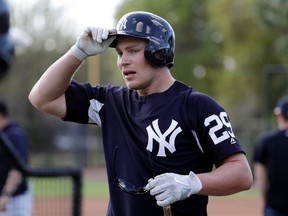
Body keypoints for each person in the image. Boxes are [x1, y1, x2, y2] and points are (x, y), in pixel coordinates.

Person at [28, 11, 253, 216]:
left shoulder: (197, 106)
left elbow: (241, 174)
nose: (123, 61)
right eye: (119, 53)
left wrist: (190, 183)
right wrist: (78, 52)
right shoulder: (110, 102)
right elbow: (42, 98)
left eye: (133, 51)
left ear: (159, 53)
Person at [253, 96, 288, 216]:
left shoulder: (267, 141)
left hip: (275, 208)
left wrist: (266, 202)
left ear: (280, 115)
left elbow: (260, 177)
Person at [0, 100, 32, 216]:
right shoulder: (3, 134)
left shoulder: (14, 134)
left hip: (15, 200)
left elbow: (17, 169)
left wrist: (5, 195)